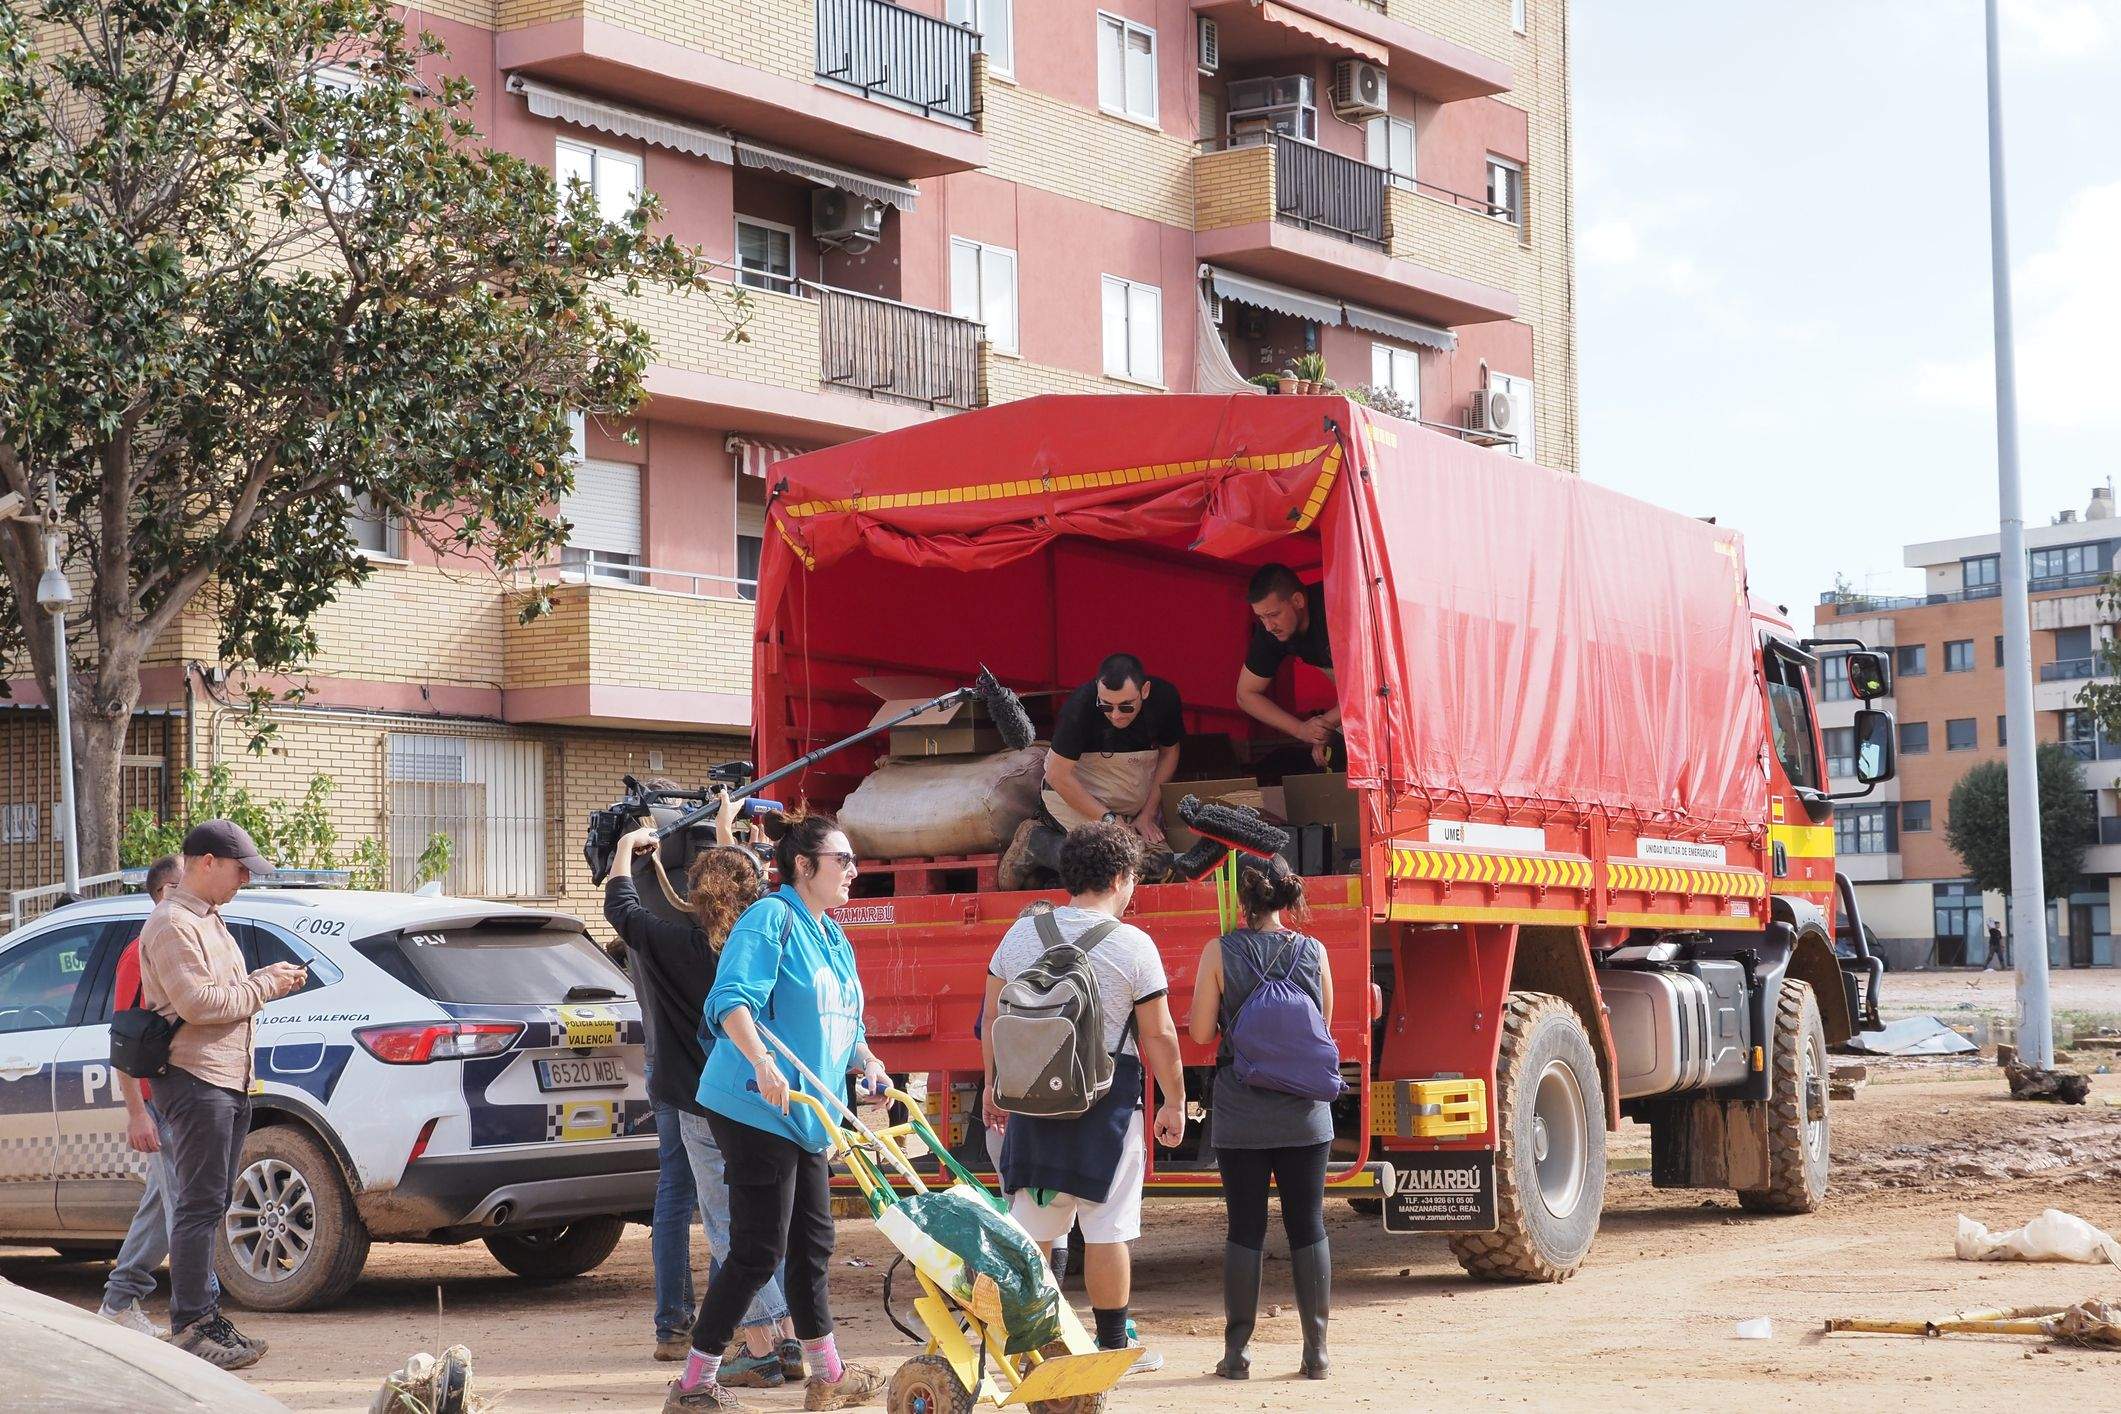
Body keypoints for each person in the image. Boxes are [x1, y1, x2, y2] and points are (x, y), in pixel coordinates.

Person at [666, 811, 889, 1414]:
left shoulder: (832, 935)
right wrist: (763, 1062)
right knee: (760, 1247)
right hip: (753, 1103)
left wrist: (868, 1061)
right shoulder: (772, 918)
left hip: (808, 1111)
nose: (852, 871)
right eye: (841, 860)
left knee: (814, 1243)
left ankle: (827, 1377)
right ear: (803, 866)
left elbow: (847, 1020)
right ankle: (694, 1381)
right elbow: (730, 999)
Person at [605, 792, 802, 1381]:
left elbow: (622, 909)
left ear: (695, 891)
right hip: (765, 1097)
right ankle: (789, 1336)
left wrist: (623, 851)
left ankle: (765, 1347)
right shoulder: (764, 940)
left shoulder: (672, 942)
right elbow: (740, 885)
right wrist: (725, 829)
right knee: (768, 1220)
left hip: (698, 1099)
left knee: (722, 1222)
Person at [982, 822, 1187, 1375]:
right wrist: (1173, 1099)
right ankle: (1113, 1345)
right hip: (1106, 1106)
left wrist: (991, 1085)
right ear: (1121, 876)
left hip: (1030, 1099)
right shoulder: (1133, 945)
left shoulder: (1021, 934)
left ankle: (1032, 1346)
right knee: (1107, 1230)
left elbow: (992, 1018)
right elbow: (1160, 1034)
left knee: (1035, 1233)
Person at [138, 821, 308, 1368]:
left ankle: (206, 1316)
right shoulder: (170, 923)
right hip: (194, 1077)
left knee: (210, 1203)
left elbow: (223, 994)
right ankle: (191, 1324)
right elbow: (199, 1004)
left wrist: (262, 980)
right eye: (239, 870)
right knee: (197, 1204)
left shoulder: (211, 919)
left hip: (228, 1077)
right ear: (205, 862)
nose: (243, 880)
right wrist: (267, 985)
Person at [1188, 857, 1335, 1381]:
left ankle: (1236, 1356)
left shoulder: (1219, 951)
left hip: (1241, 1113)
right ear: (1288, 901)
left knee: (1245, 1228)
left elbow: (1203, 1033)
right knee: (1308, 1224)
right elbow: (1322, 1027)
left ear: (1243, 902)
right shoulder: (1313, 951)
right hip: (1305, 1115)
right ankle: (1316, 1354)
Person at [97, 855, 211, 1339]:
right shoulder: (139, 952)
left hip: (184, 1094)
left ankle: (120, 1301)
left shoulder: (188, 942)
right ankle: (201, 1320)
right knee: (185, 1207)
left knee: (166, 1208)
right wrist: (136, 1114)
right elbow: (125, 1040)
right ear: (166, 892)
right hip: (160, 1101)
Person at [998, 653, 1184, 891]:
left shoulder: (1165, 699)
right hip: (1077, 801)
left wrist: (1147, 814)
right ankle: (1037, 842)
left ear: (1145, 691)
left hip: (1129, 809)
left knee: (1161, 866)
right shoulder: (1080, 707)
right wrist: (1108, 819)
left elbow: (1170, 752)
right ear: (1098, 689)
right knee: (1118, 869)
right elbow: (1058, 776)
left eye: (1126, 706)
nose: (1116, 715)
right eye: (1106, 706)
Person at [1234, 563, 1339, 767]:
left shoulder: (1337, 607)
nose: (1268, 626)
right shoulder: (1270, 631)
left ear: (1298, 600)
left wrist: (1326, 725)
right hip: (1355, 698)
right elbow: (1245, 694)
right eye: (1261, 617)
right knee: (1330, 757)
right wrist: (1302, 730)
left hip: (1398, 683)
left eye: (1273, 615)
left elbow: (1374, 684)